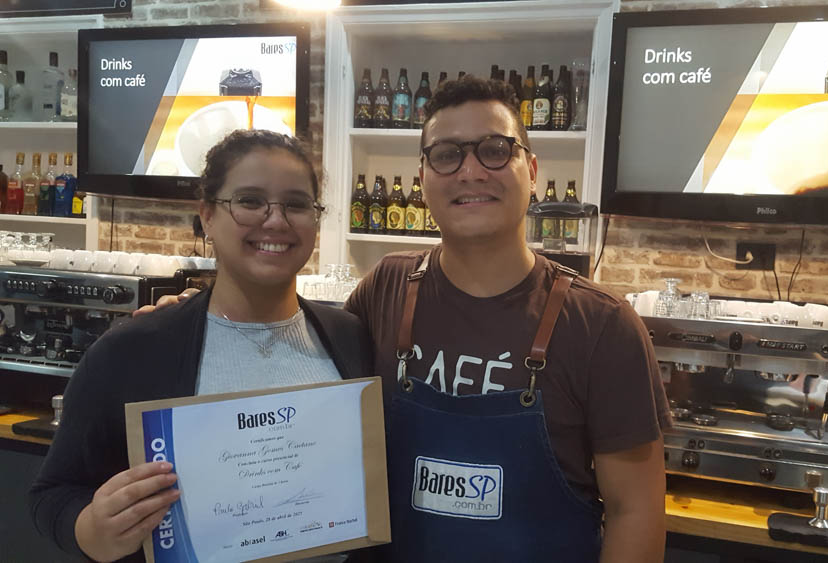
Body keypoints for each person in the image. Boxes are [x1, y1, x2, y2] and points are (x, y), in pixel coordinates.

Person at [142, 77, 669, 562]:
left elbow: (636, 512)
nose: (470, 171)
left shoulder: (601, 325)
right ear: (423, 177)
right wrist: (197, 319)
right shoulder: (387, 288)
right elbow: (298, 359)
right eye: (446, 155)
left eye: (494, 149)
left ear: (531, 170)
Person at [29, 130, 373, 563]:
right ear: (207, 215)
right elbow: (52, 493)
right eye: (250, 201)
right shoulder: (134, 349)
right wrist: (92, 531)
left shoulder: (351, 337)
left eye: (297, 204)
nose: (276, 221)